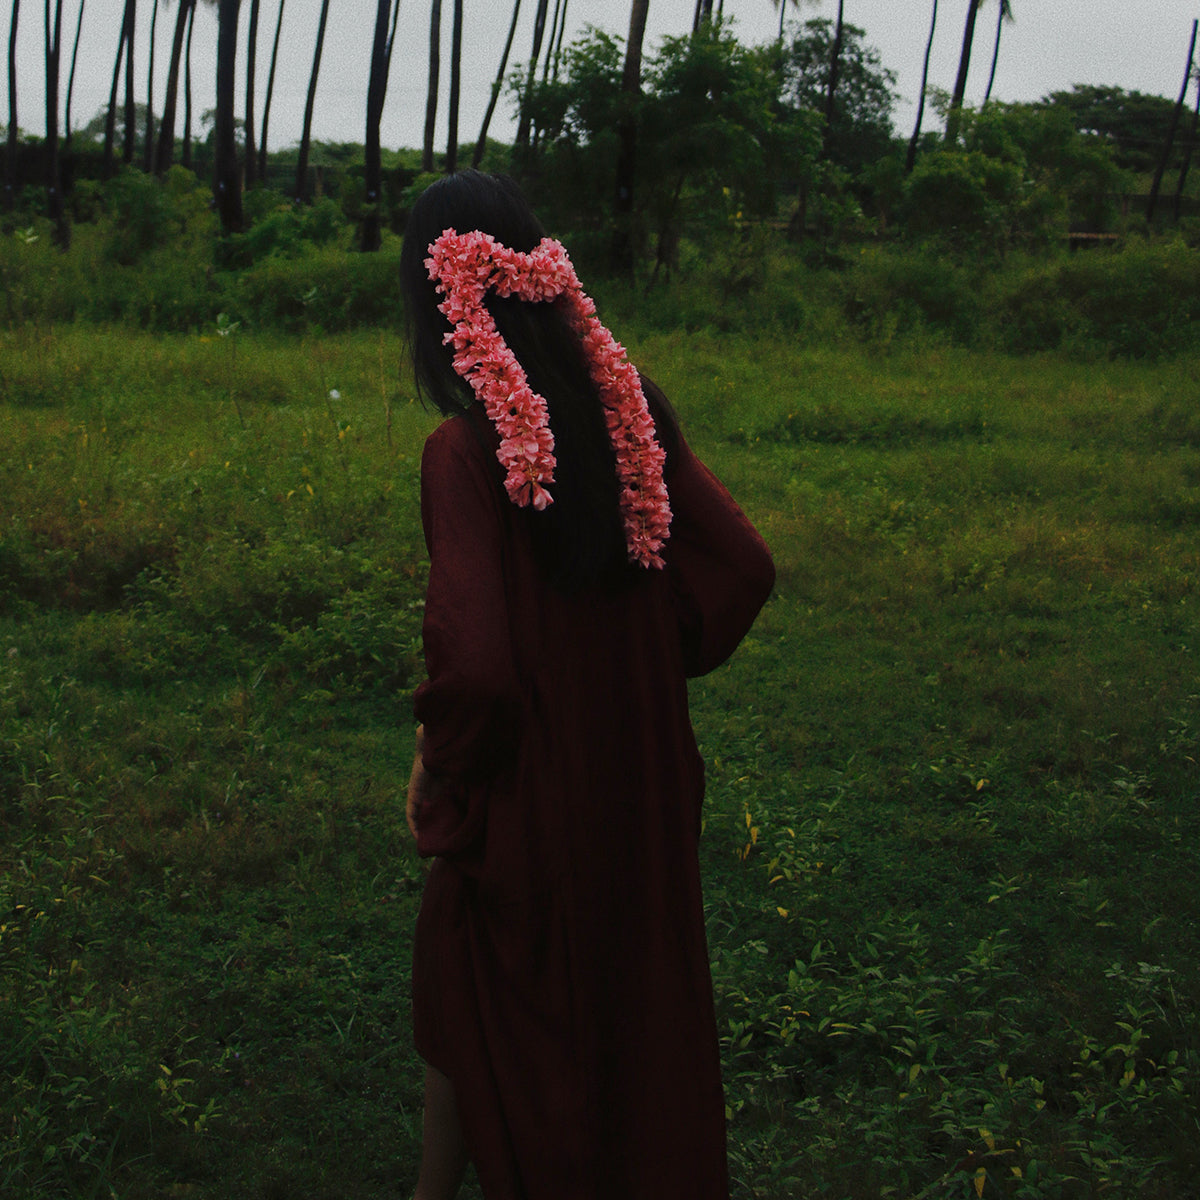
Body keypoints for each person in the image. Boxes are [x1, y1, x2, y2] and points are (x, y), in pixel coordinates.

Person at [400, 170, 774, 1200]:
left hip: (534, 787)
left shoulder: (463, 450)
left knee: (486, 993)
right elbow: (742, 568)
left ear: (437, 303)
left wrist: (441, 770)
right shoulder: (630, 409)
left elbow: (474, 668)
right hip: (644, 776)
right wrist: (646, 664)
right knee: (628, 1001)